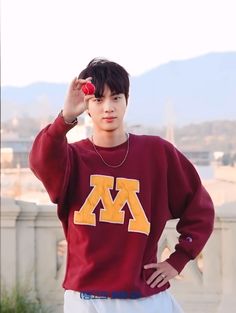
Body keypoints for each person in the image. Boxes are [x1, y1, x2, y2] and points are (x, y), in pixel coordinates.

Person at [29, 58, 215, 313]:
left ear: (127, 100)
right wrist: (66, 117)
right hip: (86, 298)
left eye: (116, 98)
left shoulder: (156, 153)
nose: (108, 107)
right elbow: (40, 160)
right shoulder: (72, 158)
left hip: (144, 298)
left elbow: (199, 206)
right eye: (98, 100)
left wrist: (179, 258)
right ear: (87, 105)